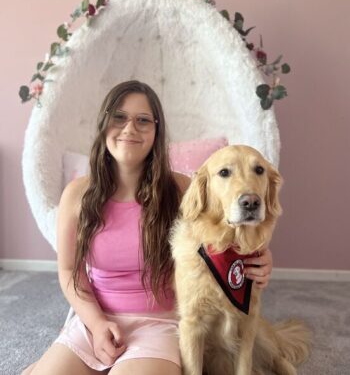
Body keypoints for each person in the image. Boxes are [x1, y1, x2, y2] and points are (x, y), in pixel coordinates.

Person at [22, 80, 273, 375]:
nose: (130, 128)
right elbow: (68, 271)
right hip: (94, 322)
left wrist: (260, 257)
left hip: (160, 325)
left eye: (143, 120)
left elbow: (227, 232)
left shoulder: (182, 188)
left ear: (157, 130)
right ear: (104, 123)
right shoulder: (76, 194)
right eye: (119, 117)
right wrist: (97, 323)